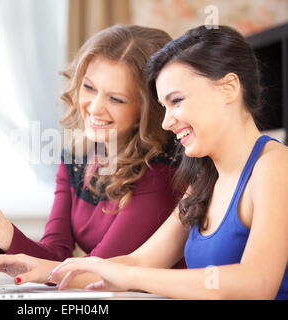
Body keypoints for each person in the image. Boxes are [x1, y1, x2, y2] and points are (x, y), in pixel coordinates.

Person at [39, 25, 288, 300]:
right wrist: (40, 269)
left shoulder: (275, 166)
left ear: (228, 88)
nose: (167, 122)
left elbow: (257, 284)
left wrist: (130, 277)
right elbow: (139, 261)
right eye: (163, 106)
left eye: (177, 101)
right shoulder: (205, 180)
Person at [0, 25, 186, 283]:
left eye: (116, 99)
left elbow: (94, 273)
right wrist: (3, 232)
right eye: (89, 87)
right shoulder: (78, 157)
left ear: (149, 109)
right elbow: (55, 253)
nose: (95, 107)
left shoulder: (162, 173)